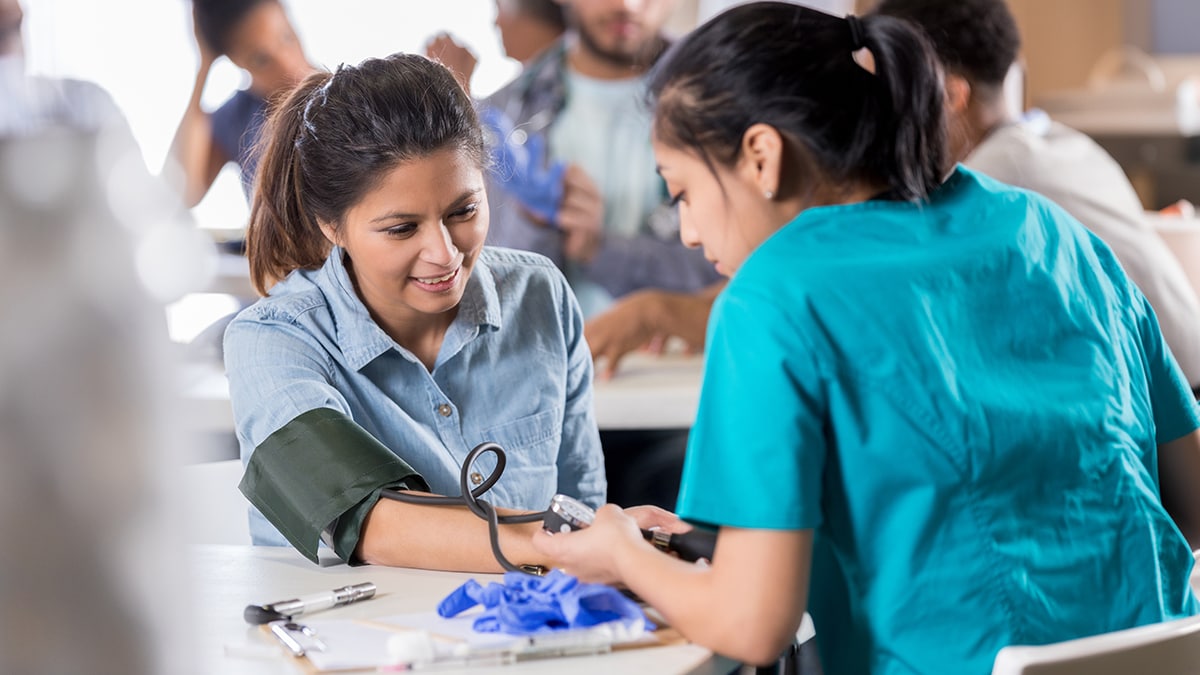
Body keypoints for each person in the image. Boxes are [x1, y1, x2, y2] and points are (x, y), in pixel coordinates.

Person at [531, 3, 1200, 673]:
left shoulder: (772, 294)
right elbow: (1188, 500)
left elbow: (751, 624)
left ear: (762, 156)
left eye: (681, 193)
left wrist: (623, 552)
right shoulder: (1050, 231)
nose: (689, 232)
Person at [223, 52, 606, 571]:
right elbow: (368, 520)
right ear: (331, 226)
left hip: (523, 635)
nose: (445, 253)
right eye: (402, 229)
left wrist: (616, 542)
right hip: (352, 641)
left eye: (463, 211)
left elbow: (581, 501)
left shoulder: (540, 295)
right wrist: (573, 543)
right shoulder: (272, 341)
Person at [875, 0, 1200, 395]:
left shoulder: (990, 181)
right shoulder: (1064, 141)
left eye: (892, 93)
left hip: (1164, 405)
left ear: (950, 94)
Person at [485, 0, 722, 511]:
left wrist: (601, 248)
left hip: (685, 413)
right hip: (543, 422)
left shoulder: (725, 101)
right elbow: (484, 287)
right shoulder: (502, 116)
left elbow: (736, 270)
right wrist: (545, 227)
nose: (628, 5)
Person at [167, 0, 315, 209]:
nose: (288, 64)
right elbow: (181, 193)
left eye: (287, 37)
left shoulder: (349, 94)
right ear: (235, 61)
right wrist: (204, 64)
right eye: (261, 59)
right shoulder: (240, 118)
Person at [425, 0, 567, 92]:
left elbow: (506, 136)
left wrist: (458, 85)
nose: (496, 22)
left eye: (498, 6)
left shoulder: (556, 84)